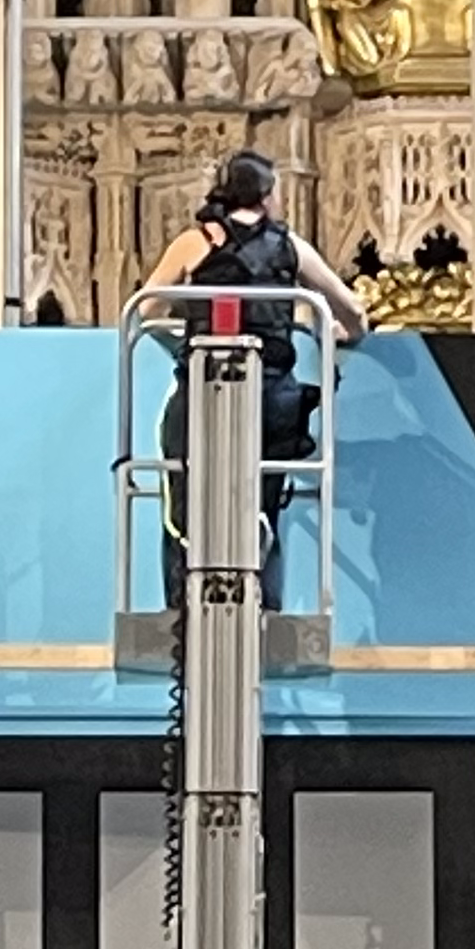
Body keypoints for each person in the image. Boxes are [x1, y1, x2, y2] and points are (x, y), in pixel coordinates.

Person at [139, 151, 368, 608]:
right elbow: (353, 309)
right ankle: (264, 594)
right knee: (263, 501)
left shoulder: (194, 242)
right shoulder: (291, 247)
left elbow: (145, 309)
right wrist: (347, 334)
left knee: (183, 496)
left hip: (202, 397)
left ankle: (181, 590)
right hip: (271, 406)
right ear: (267, 195)